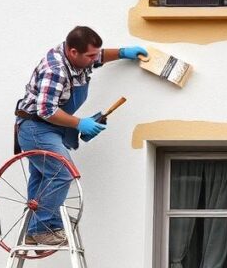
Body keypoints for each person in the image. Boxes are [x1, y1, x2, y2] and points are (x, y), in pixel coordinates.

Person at [14, 26, 147, 246]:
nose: (95, 59)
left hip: (50, 127)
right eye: (91, 56)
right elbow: (46, 110)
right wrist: (79, 124)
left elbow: (100, 55)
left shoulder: (77, 57)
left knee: (42, 179)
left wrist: (123, 52)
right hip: (36, 128)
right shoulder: (55, 69)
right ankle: (43, 229)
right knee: (62, 173)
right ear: (73, 52)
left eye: (96, 54)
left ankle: (32, 231)